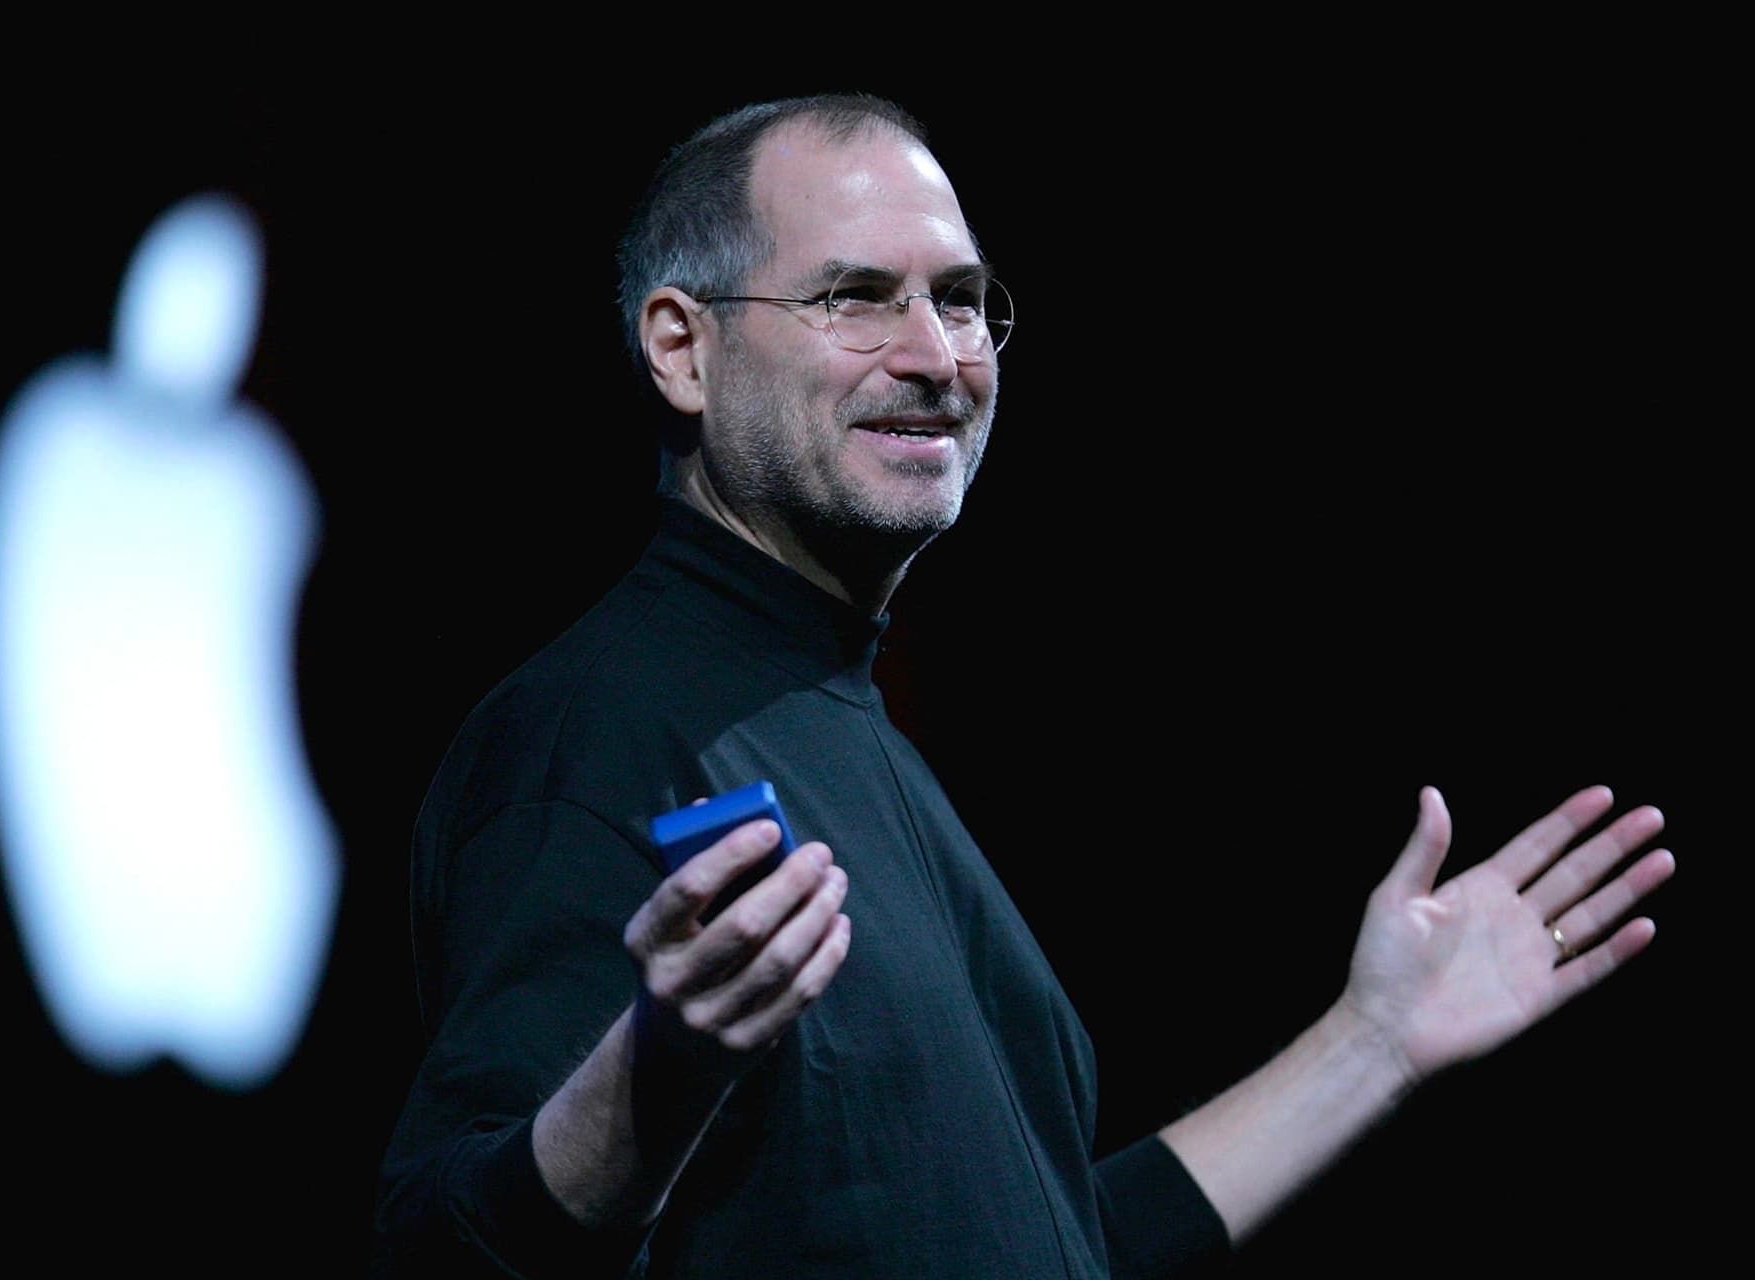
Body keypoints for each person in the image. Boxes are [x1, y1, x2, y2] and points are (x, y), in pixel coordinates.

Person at [370, 94, 1676, 1278]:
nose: (938, 355)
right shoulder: (594, 737)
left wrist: (1374, 1041)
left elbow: (1042, 1246)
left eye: (963, 298)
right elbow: (444, 1253)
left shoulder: (842, 725)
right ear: (682, 349)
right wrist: (650, 1083)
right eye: (857, 296)